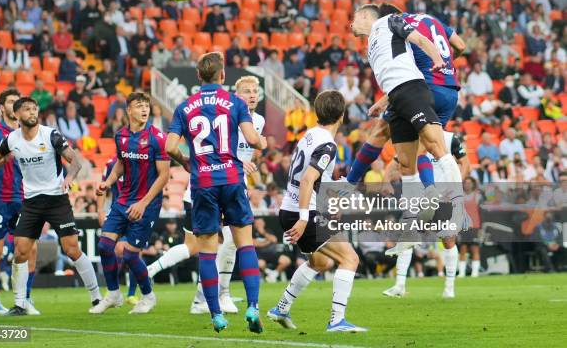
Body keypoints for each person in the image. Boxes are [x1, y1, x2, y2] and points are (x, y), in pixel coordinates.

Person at [348, 4, 467, 253]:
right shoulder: (433, 20)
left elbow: (414, 51)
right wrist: (445, 65)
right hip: (449, 88)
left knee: (396, 138)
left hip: (424, 85)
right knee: (411, 157)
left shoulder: (394, 23)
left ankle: (451, 206)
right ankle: (419, 220)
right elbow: (461, 46)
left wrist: (434, 62)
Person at [0, 97, 102, 315]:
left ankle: (96, 297)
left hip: (56, 199)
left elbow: (76, 161)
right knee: (21, 251)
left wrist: (69, 177)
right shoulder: (12, 139)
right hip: (32, 202)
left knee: (72, 249)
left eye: (34, 109)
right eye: (27, 109)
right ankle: (20, 303)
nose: (33, 112)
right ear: (17, 115)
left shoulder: (50, 134)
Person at [166, 52, 264, 333]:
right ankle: (252, 307)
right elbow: (252, 138)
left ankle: (216, 315)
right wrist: (263, 142)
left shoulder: (184, 107)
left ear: (198, 77)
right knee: (245, 243)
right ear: (223, 76)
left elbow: (171, 146)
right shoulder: (235, 102)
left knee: (207, 251)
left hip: (204, 184)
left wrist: (186, 162)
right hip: (232, 180)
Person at [267, 90, 367, 332]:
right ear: (342, 116)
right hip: (304, 213)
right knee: (349, 258)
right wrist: (304, 218)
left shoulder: (309, 135)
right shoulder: (328, 145)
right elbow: (307, 180)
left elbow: (309, 178)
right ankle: (336, 321)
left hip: (289, 209)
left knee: (320, 262)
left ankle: (281, 308)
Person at [92, 93, 172, 315]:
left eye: (146, 106)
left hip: (146, 204)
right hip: (123, 200)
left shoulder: (157, 137)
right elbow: (120, 163)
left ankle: (148, 296)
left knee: (129, 255)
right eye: (139, 106)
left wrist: (143, 204)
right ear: (129, 110)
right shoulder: (121, 136)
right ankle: (113, 294)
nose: (144, 109)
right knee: (104, 246)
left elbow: (164, 176)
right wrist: (107, 183)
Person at [383, 129, 470, 299]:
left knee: (448, 240)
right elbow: (394, 163)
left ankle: (449, 288)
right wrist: (386, 181)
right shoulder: (414, 137)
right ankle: (399, 285)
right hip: (418, 197)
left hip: (444, 197)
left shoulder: (450, 138)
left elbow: (465, 164)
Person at [0, 89, 39, 315]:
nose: (16, 105)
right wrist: (9, 153)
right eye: (11, 102)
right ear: (2, 107)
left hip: (24, 197)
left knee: (31, 248)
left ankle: (26, 299)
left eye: (18, 101)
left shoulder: (30, 132)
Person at [96, 156, 139, 305]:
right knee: (113, 250)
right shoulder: (111, 164)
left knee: (131, 253)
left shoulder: (141, 161)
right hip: (116, 213)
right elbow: (102, 187)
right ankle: (113, 291)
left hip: (136, 212)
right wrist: (100, 211)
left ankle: (131, 294)